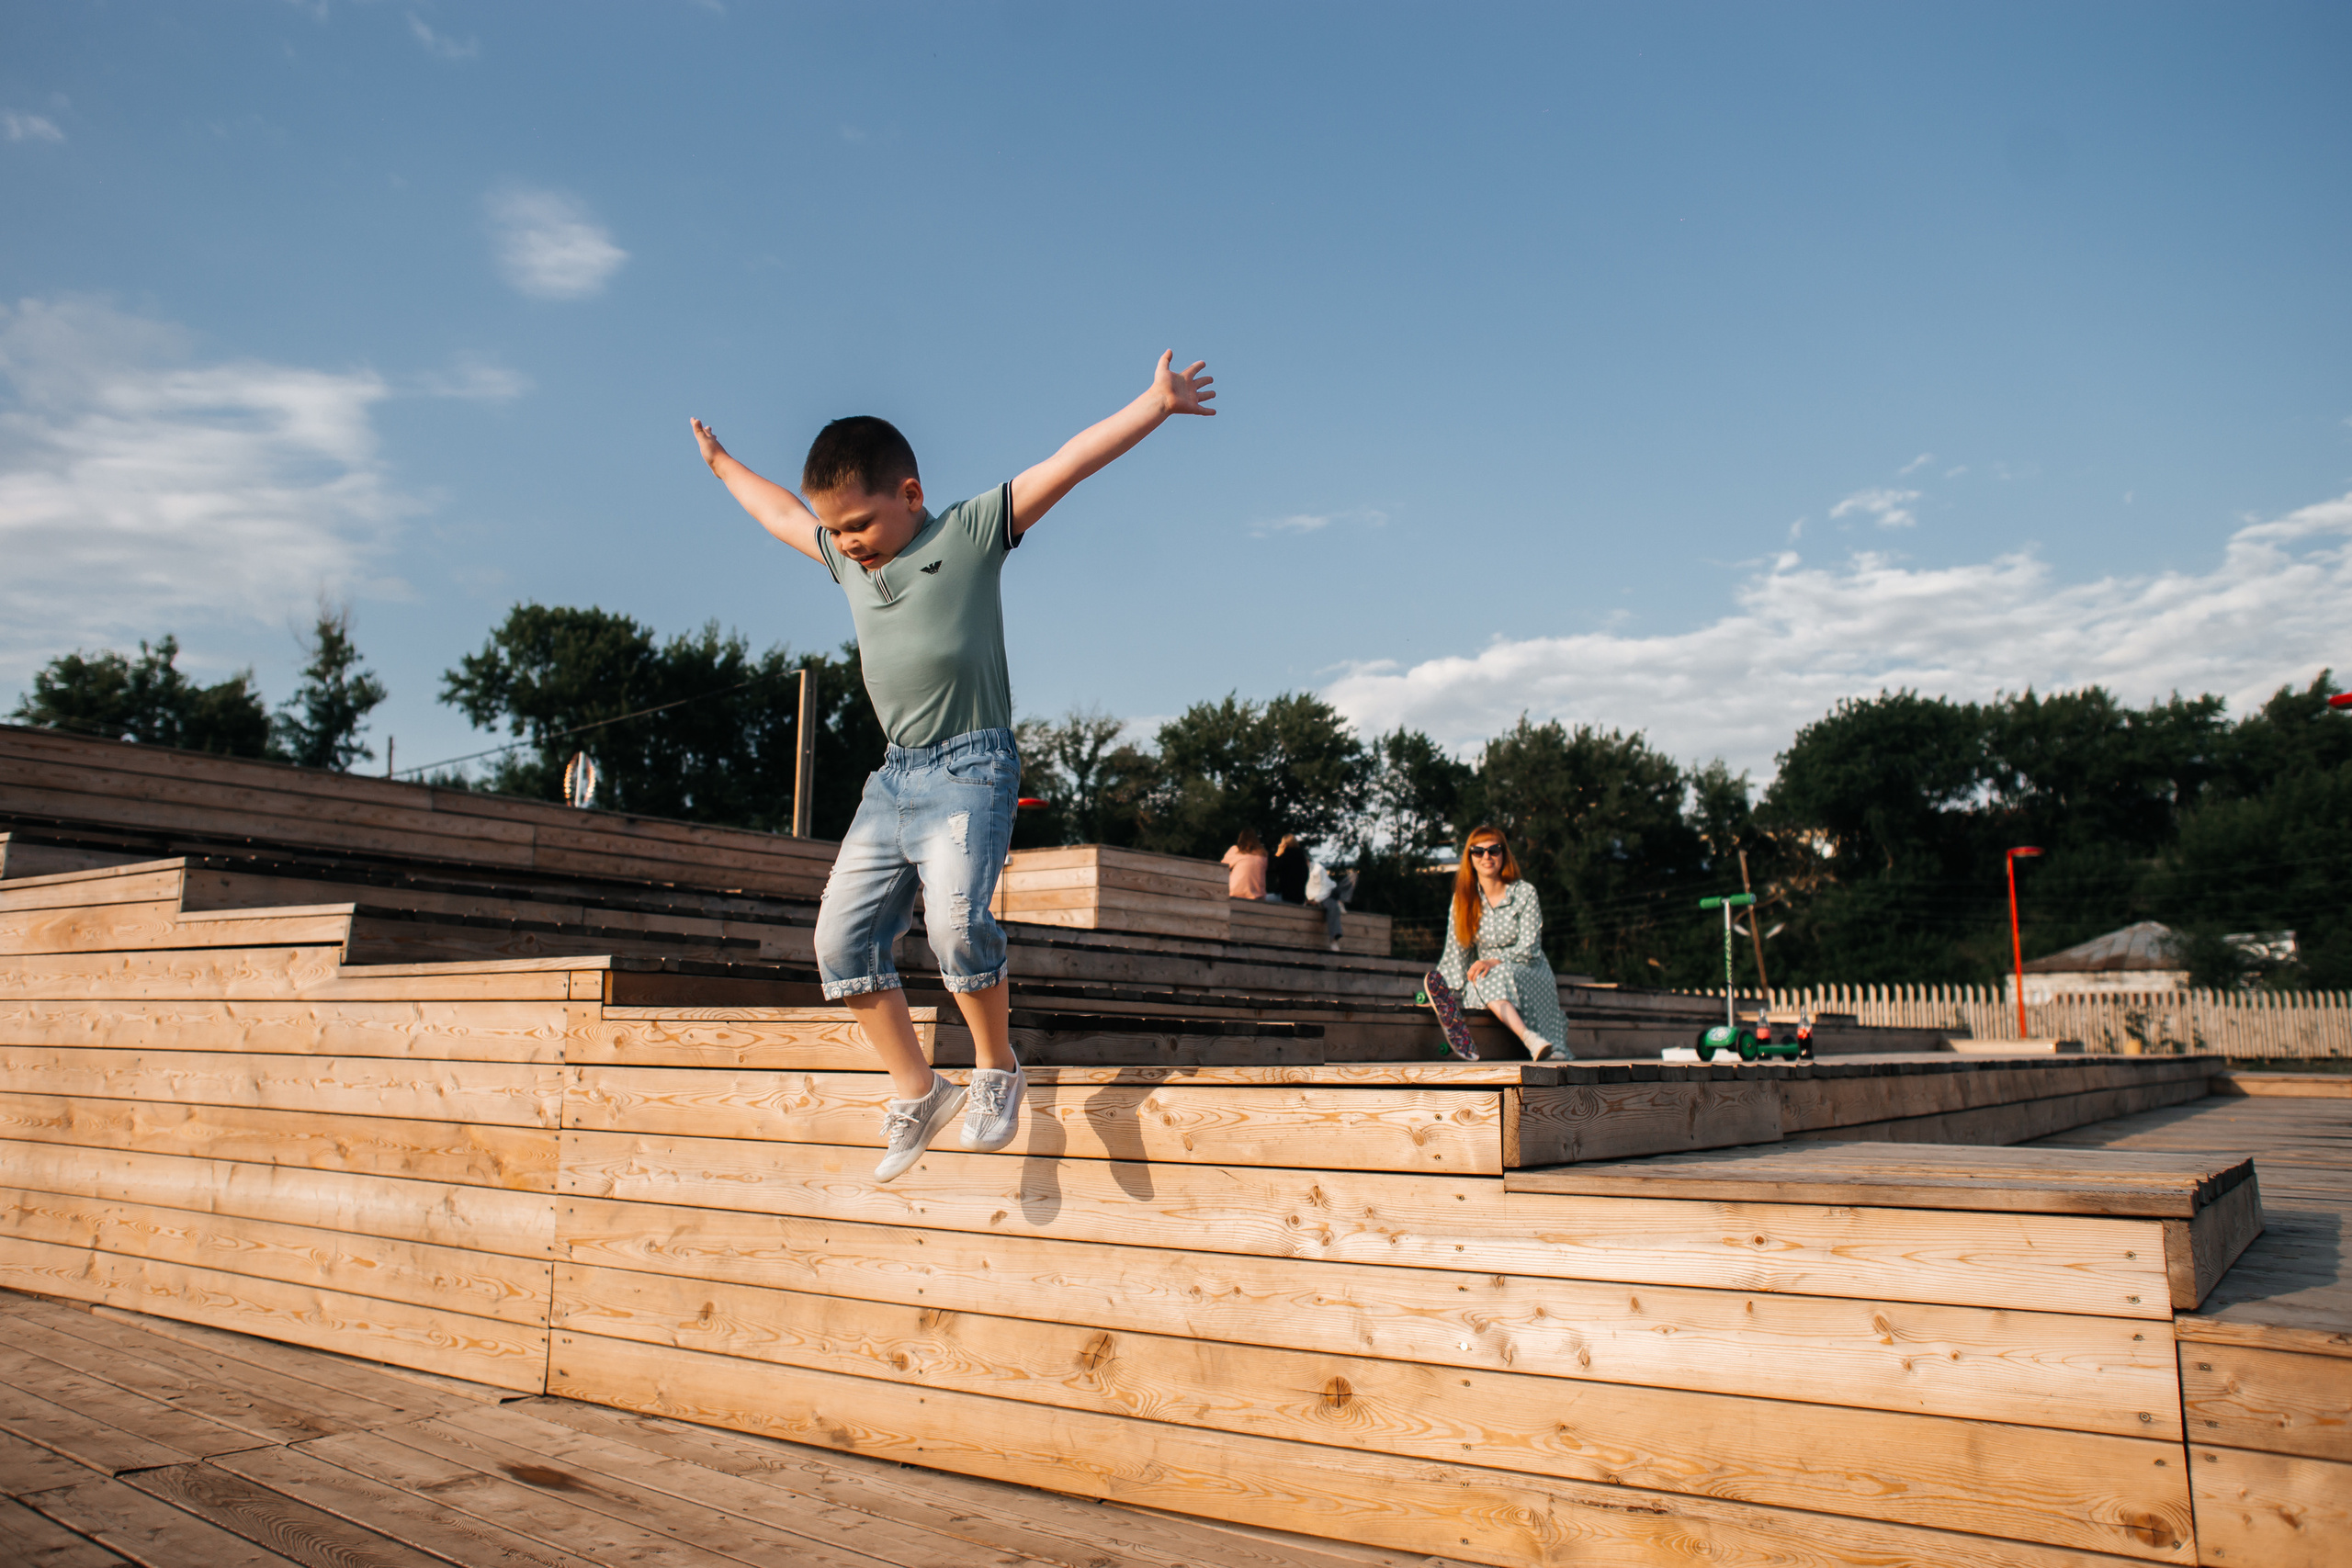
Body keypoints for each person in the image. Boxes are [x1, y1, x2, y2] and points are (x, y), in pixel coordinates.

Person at [691, 350, 1216, 1181]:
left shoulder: (968, 534)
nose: (846, 543)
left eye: (859, 524)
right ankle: (918, 1087)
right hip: (893, 778)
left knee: (955, 925)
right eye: (836, 531)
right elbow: (781, 515)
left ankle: (997, 1066)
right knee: (839, 941)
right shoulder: (839, 557)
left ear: (910, 495)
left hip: (973, 765)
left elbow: (1067, 464)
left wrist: (1153, 405)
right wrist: (723, 466)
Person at [1435, 826, 1569, 1060]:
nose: (1486, 857)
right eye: (1478, 851)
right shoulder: (1463, 899)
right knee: (1482, 979)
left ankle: (1533, 1038)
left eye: (1493, 850)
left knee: (1491, 974)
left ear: (1504, 854)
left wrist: (1496, 961)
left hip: (1528, 970)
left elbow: (1530, 947)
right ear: (1470, 858)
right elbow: (1456, 950)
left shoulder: (1524, 893)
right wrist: (1442, 989)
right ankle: (1531, 1039)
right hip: (1486, 976)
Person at [1305, 852, 1356, 949]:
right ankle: (1333, 940)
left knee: (1353, 876)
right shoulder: (1304, 875)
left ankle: (1341, 901)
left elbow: (1324, 887)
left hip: (1329, 891)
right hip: (1323, 898)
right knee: (1333, 908)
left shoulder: (1317, 868)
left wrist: (1317, 900)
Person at [1222, 829, 1269, 900]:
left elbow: (1221, 869)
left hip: (1234, 893)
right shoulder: (1263, 855)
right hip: (1257, 896)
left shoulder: (1236, 850)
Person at [1268, 833, 1308, 904]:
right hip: (1300, 899)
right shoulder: (1302, 858)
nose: (1279, 845)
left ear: (1285, 845)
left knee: (1261, 900)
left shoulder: (1285, 857)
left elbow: (1271, 869)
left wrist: (1277, 854)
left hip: (1286, 897)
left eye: (1281, 843)